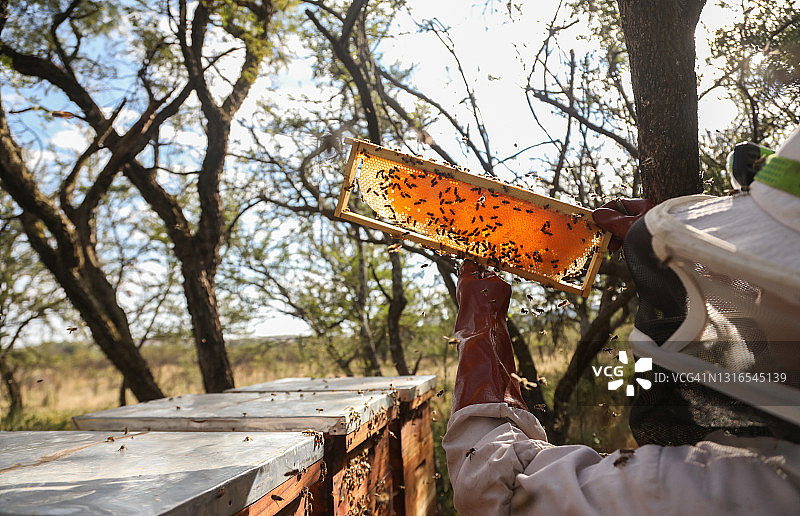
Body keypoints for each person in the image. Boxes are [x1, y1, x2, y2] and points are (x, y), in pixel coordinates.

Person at [443, 127, 800, 514]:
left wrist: (480, 332)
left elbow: (498, 489)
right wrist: (690, 260)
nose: (759, 291)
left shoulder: (741, 488)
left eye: (772, 279)